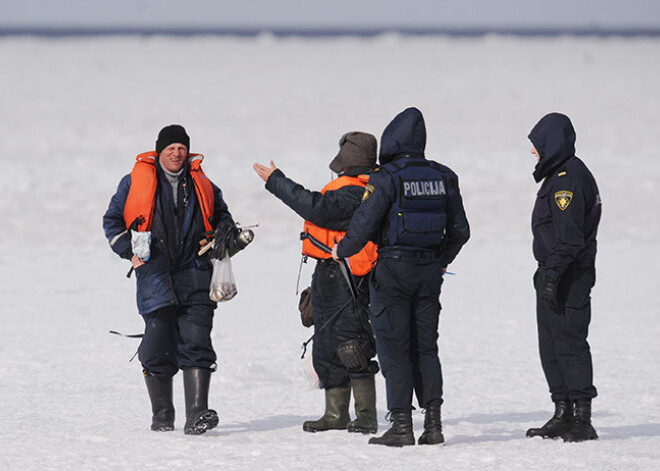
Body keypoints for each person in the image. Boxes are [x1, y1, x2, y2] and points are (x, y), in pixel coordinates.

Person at [332, 107, 470, 447]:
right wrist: (440, 261)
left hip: (393, 271)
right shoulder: (445, 175)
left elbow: (364, 223)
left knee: (394, 348)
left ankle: (401, 426)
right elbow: (460, 231)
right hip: (428, 272)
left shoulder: (387, 176)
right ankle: (433, 425)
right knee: (426, 348)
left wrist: (343, 250)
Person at [103, 124, 251, 435]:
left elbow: (221, 213)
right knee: (157, 345)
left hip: (195, 271)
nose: (176, 152)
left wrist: (225, 228)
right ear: (159, 151)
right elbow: (112, 220)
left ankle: (196, 413)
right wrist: (127, 250)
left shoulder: (202, 183)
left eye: (182, 148)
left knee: (197, 340)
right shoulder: (134, 183)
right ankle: (163, 415)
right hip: (154, 274)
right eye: (170, 147)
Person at [253, 132, 380, 435]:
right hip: (329, 273)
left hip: (349, 276)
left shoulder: (354, 193)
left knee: (352, 345)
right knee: (326, 345)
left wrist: (276, 180)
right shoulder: (354, 189)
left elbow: (315, 207)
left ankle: (365, 415)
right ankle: (335, 414)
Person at [525, 112, 602, 442]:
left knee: (570, 344)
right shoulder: (558, 176)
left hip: (569, 275)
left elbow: (570, 237)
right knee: (551, 346)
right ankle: (563, 412)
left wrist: (554, 275)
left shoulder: (568, 179)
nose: (533, 152)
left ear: (551, 144)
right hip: (553, 272)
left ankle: (582, 418)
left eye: (536, 145)